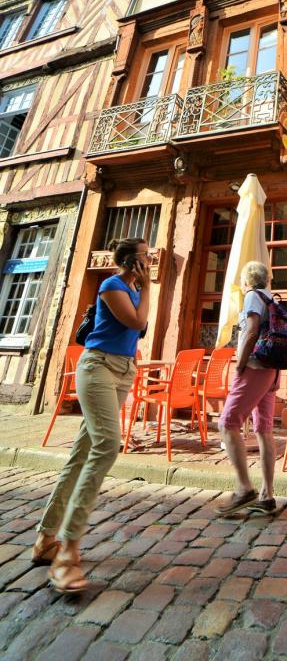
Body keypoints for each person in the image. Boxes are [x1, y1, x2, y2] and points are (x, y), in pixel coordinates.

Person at [32, 237, 151, 593]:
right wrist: (150, 289)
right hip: (98, 367)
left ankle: (45, 539)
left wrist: (143, 288)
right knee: (106, 446)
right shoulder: (112, 285)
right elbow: (136, 322)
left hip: (123, 370)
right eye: (147, 255)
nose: (152, 258)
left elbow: (139, 329)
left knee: (82, 452)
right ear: (132, 260)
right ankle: (67, 552)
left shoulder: (132, 289)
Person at [216, 261, 279, 516]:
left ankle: (244, 488)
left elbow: (251, 330)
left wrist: (240, 363)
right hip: (272, 369)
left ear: (247, 281)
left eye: (242, 280)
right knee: (264, 430)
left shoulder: (253, 296)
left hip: (254, 367)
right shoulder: (272, 298)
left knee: (227, 422)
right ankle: (267, 495)